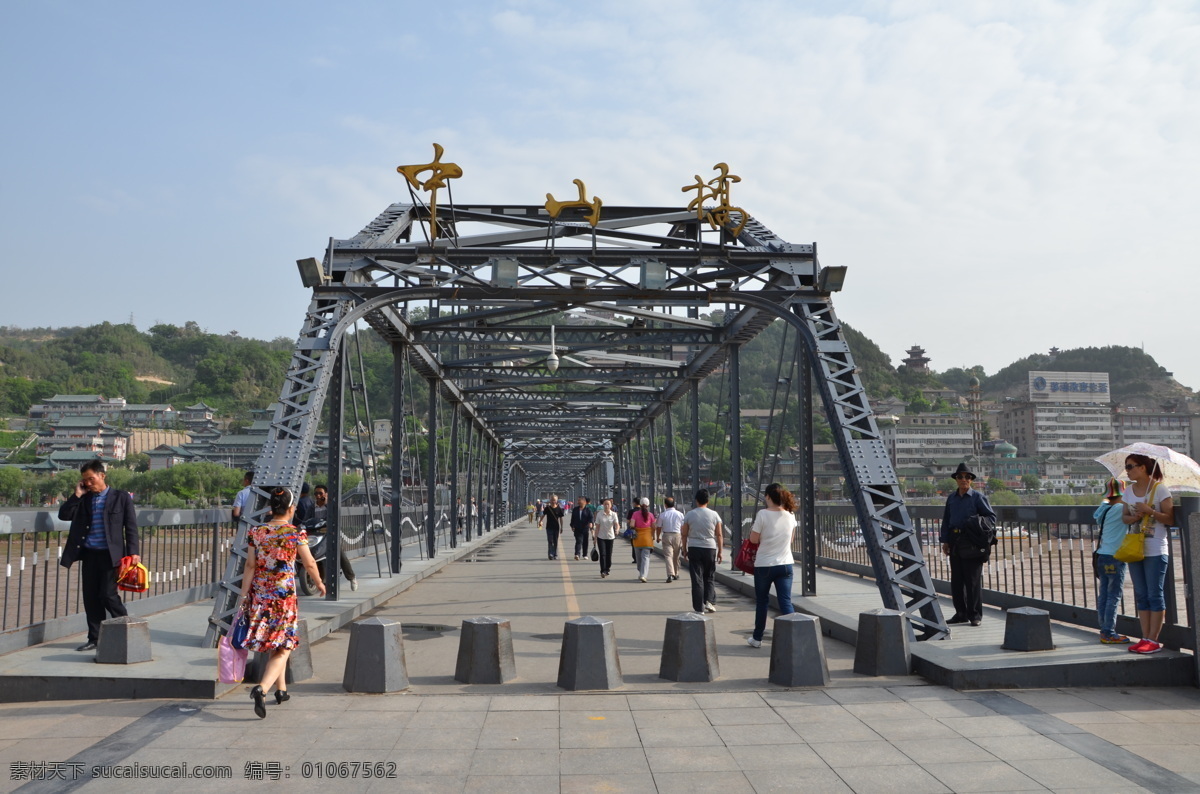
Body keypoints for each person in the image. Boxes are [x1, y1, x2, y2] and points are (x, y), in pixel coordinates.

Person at [237, 486, 324, 718]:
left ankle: (281, 690)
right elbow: (309, 563)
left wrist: (243, 595)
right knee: (284, 645)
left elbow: (250, 566)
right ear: (291, 508)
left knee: (275, 643)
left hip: (260, 594)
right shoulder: (294, 533)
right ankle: (262, 688)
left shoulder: (257, 532)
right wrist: (320, 583)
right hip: (283, 597)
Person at [58, 460, 140, 652]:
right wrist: (77, 494)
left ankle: (127, 627)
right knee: (91, 598)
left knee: (107, 594)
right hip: (89, 554)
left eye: (91, 479)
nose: (88, 483)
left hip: (112, 556)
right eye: (84, 480)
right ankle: (95, 638)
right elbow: (64, 515)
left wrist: (134, 552)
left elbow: (131, 527)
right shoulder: (84, 499)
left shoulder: (120, 497)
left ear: (102, 475)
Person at [1122, 453, 1175, 655]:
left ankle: (1153, 640)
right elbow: (1124, 519)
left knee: (1154, 594)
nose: (1128, 470)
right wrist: (1135, 515)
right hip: (1135, 548)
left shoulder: (1159, 489)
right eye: (1126, 467)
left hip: (1155, 549)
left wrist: (1150, 511)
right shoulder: (1128, 491)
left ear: (1143, 467)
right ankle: (1144, 637)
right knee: (1141, 595)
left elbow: (1169, 519)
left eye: (1130, 466)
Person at [939, 462, 997, 627]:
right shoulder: (951, 498)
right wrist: (945, 541)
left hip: (971, 542)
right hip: (955, 540)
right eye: (960, 477)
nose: (963, 479)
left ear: (971, 480)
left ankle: (975, 615)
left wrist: (974, 523)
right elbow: (946, 520)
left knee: (972, 581)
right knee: (957, 580)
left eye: (967, 477)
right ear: (956, 479)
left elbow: (991, 518)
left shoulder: (978, 497)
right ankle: (960, 613)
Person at [746, 483, 797, 648]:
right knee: (785, 602)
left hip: (764, 565)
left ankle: (757, 639)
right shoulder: (790, 515)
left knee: (762, 602)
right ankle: (796, 636)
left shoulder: (763, 514)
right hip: (786, 565)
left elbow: (753, 540)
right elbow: (790, 540)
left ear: (768, 496)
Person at [1093, 478, 1129, 644]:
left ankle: (1103, 629)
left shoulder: (1104, 509)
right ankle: (1108, 632)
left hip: (1102, 556)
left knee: (1104, 595)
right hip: (1116, 557)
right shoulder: (1123, 508)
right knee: (1114, 596)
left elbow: (1095, 516)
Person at [681, 489, 723, 613]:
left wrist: (684, 549)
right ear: (708, 501)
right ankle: (709, 601)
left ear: (696, 500)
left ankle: (699, 608)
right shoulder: (714, 515)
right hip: (710, 547)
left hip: (694, 547)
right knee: (709, 576)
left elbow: (684, 534)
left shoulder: (689, 514)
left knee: (697, 578)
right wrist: (720, 551)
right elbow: (719, 534)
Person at [313, 484, 358, 591]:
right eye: (316, 493)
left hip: (329, 534)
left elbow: (334, 517)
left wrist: (327, 503)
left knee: (340, 553)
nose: (318, 496)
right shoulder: (312, 507)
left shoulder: (331, 506)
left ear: (326, 494)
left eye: (320, 493)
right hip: (316, 535)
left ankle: (352, 577)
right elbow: (306, 519)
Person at [655, 496, 685, 582]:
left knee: (668, 556)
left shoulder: (662, 515)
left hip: (666, 536)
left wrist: (658, 537)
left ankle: (670, 574)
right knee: (676, 556)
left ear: (665, 505)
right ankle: (676, 573)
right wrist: (683, 538)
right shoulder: (680, 514)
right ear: (674, 504)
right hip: (677, 535)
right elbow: (683, 528)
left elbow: (659, 527)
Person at [630, 498, 656, 582]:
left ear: (640, 505)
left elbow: (632, 524)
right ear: (648, 505)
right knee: (646, 557)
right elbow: (654, 526)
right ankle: (643, 575)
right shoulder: (651, 515)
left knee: (638, 558)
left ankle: (641, 572)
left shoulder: (635, 514)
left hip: (637, 538)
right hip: (647, 538)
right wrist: (654, 536)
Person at [592, 498, 620, 578]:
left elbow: (616, 524)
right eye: (605, 504)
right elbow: (597, 527)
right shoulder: (599, 514)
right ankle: (603, 570)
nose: (606, 506)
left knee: (609, 554)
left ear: (611, 506)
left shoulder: (614, 514)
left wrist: (617, 530)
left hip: (610, 537)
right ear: (603, 505)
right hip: (601, 537)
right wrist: (595, 538)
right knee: (602, 554)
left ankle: (607, 568)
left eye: (608, 504)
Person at [543, 495, 566, 560]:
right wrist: (540, 521)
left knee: (555, 541)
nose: (553, 501)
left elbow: (561, 518)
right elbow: (543, 515)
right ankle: (550, 554)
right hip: (549, 527)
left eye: (554, 500)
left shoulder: (559, 509)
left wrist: (562, 527)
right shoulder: (547, 508)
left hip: (556, 527)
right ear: (550, 500)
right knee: (550, 541)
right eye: (552, 500)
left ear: (556, 501)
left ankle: (555, 554)